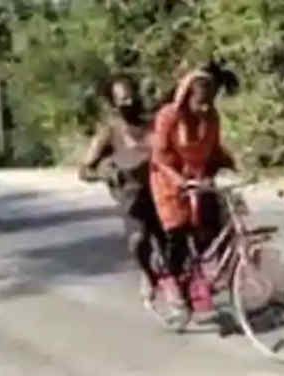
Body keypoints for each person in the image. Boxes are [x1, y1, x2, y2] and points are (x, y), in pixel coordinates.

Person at [149, 68, 236, 317]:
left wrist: (236, 167)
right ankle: (170, 279)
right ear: (187, 97)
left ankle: (208, 276)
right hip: (168, 180)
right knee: (177, 231)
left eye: (210, 101)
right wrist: (178, 181)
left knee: (212, 224)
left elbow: (215, 149)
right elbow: (159, 157)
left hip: (198, 178)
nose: (205, 108)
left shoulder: (212, 117)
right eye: (200, 102)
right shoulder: (169, 116)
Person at [78, 73, 163, 302]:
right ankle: (147, 273)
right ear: (114, 103)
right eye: (123, 99)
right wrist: (107, 173)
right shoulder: (110, 131)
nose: (129, 102)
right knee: (138, 239)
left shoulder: (152, 123)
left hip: (161, 190)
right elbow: (84, 170)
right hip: (132, 196)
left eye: (131, 96)